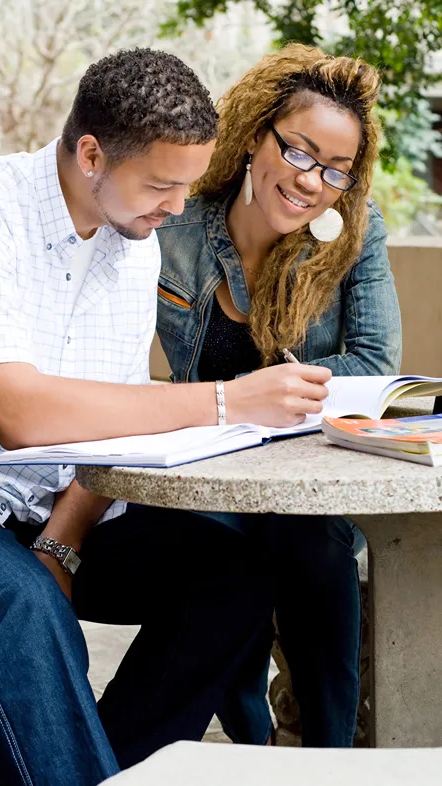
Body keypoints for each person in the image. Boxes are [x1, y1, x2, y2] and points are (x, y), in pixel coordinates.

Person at [0, 47, 333, 785]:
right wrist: (226, 399)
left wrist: (61, 544)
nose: (178, 209)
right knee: (26, 607)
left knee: (237, 575)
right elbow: (17, 413)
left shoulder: (136, 244)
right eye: (161, 184)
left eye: (187, 186)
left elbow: (114, 424)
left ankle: (103, 774)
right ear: (92, 153)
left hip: (52, 504)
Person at [155, 43, 402, 747]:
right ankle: (257, 746)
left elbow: (377, 362)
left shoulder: (357, 232)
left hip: (310, 473)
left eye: (335, 170)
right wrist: (236, 401)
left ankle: (328, 754)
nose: (312, 182)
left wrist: (258, 400)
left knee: (315, 544)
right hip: (210, 474)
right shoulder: (175, 227)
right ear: (256, 133)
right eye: (297, 153)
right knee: (220, 561)